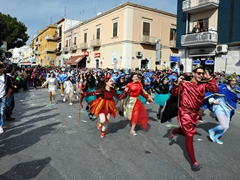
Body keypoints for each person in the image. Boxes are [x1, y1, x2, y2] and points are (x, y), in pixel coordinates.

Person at [169, 64, 218, 171]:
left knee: (187, 132)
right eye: (199, 73)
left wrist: (209, 77)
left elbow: (215, 90)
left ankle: (176, 130)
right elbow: (174, 93)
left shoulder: (203, 85)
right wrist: (177, 84)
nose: (201, 75)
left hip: (195, 114)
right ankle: (194, 162)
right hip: (185, 113)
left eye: (202, 73)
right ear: (193, 74)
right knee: (190, 135)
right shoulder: (185, 84)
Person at [208, 73, 240, 144]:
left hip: (229, 109)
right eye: (232, 81)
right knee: (224, 125)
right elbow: (211, 92)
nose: (234, 82)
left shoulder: (237, 89)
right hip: (219, 107)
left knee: (226, 127)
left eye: (235, 81)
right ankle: (212, 130)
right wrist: (213, 100)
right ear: (228, 81)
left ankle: (216, 137)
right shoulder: (222, 87)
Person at [0, 63, 12, 134]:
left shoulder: (6, 77)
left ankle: (0, 126)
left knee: (1, 112)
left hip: (2, 97)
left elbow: (9, 87)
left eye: (0, 68)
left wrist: (6, 95)